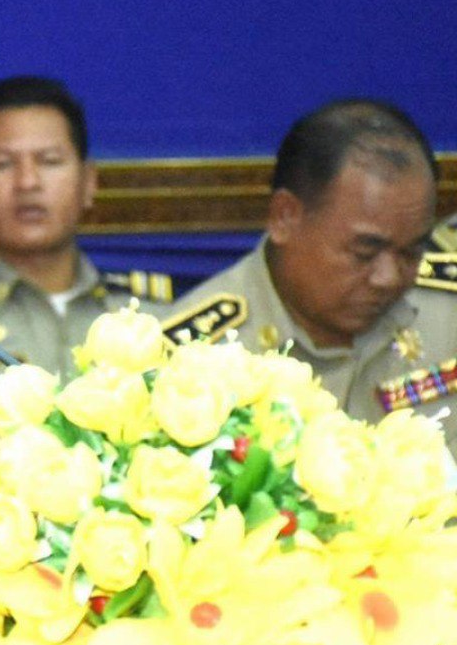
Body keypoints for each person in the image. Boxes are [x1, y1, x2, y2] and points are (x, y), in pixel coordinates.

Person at [164, 99, 457, 453]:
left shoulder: (449, 313)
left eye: (411, 251)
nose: (389, 277)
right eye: (364, 252)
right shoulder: (187, 367)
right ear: (285, 217)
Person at [0, 76, 174, 374]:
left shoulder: (151, 314)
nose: (28, 182)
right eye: (3, 164)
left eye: (50, 161)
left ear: (88, 182)